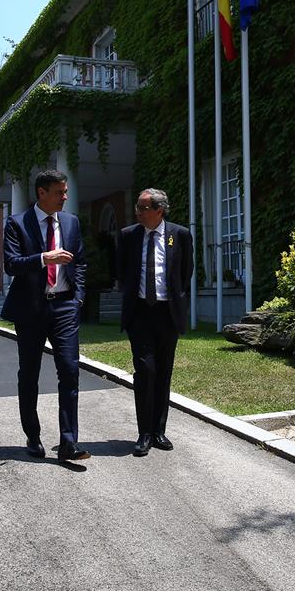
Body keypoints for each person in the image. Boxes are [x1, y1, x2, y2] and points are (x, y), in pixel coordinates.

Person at [1, 169, 88, 462]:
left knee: (70, 370)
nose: (65, 196)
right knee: (30, 374)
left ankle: (68, 442)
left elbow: (81, 262)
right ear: (41, 192)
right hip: (31, 309)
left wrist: (78, 299)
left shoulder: (71, 222)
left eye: (65, 191)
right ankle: (33, 436)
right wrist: (44, 258)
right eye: (59, 192)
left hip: (65, 306)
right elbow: (11, 264)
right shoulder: (17, 223)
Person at [116, 189, 194, 457]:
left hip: (167, 313)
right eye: (137, 207)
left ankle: (159, 431)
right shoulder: (129, 236)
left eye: (142, 207)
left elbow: (186, 274)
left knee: (163, 372)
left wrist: (174, 299)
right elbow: (122, 271)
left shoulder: (180, 235)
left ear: (159, 210)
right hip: (140, 313)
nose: (137, 212)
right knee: (145, 370)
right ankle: (144, 433)